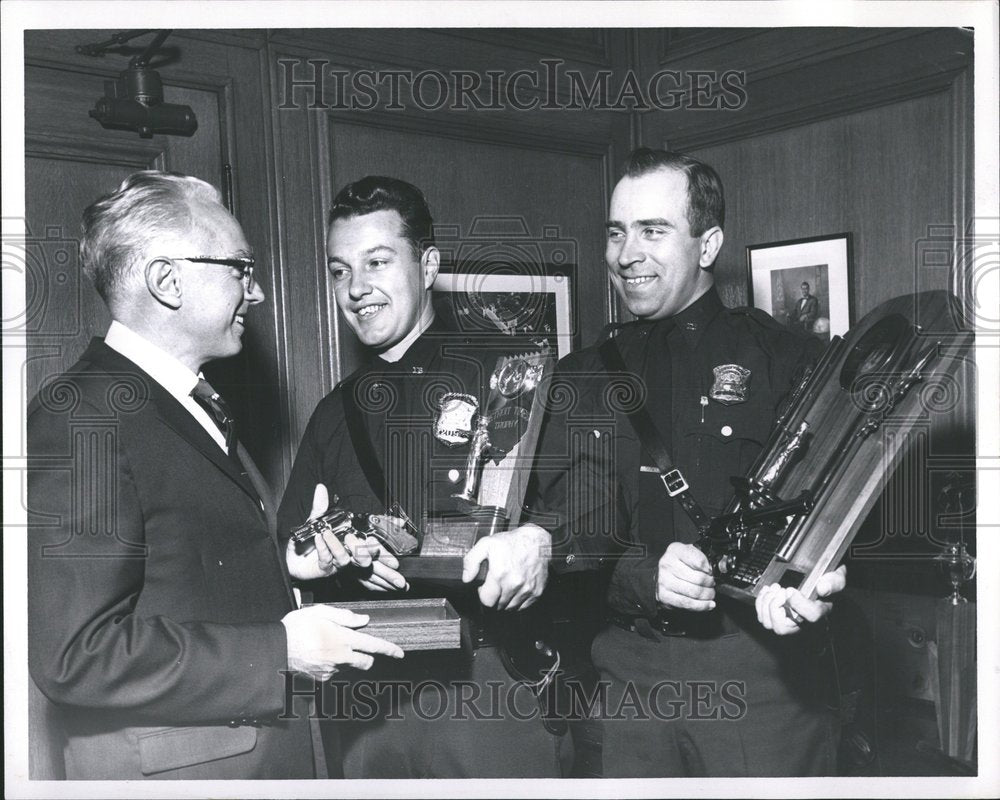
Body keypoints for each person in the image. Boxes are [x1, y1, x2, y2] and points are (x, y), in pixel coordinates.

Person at [27, 171, 403, 780]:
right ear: (168, 281)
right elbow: (76, 655)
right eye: (239, 269)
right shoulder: (82, 417)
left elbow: (181, 573)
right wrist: (281, 651)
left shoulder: (176, 401)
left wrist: (290, 567)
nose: (254, 294)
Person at [515, 148, 847, 777]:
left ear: (707, 244)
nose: (625, 253)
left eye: (653, 230)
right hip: (625, 675)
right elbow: (557, 540)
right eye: (616, 231)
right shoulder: (578, 379)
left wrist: (818, 576)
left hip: (760, 677)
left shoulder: (788, 359)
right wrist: (639, 578)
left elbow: (829, 508)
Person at [277, 176, 569, 778]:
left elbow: (574, 516)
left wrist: (537, 542)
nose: (357, 289)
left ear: (428, 264)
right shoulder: (334, 411)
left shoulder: (508, 373)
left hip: (480, 688)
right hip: (365, 696)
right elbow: (291, 547)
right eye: (339, 271)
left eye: (377, 262)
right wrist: (332, 555)